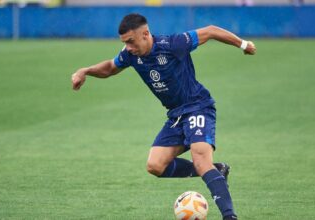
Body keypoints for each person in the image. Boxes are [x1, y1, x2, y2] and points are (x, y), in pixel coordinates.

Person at [71, 13, 256, 220]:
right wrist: (84, 71)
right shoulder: (131, 54)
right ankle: (218, 170)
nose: (128, 47)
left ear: (146, 34)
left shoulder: (173, 45)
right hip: (176, 116)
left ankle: (229, 216)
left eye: (131, 41)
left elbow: (211, 30)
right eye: (125, 43)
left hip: (198, 106)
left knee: (201, 158)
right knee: (155, 165)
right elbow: (111, 68)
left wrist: (243, 44)